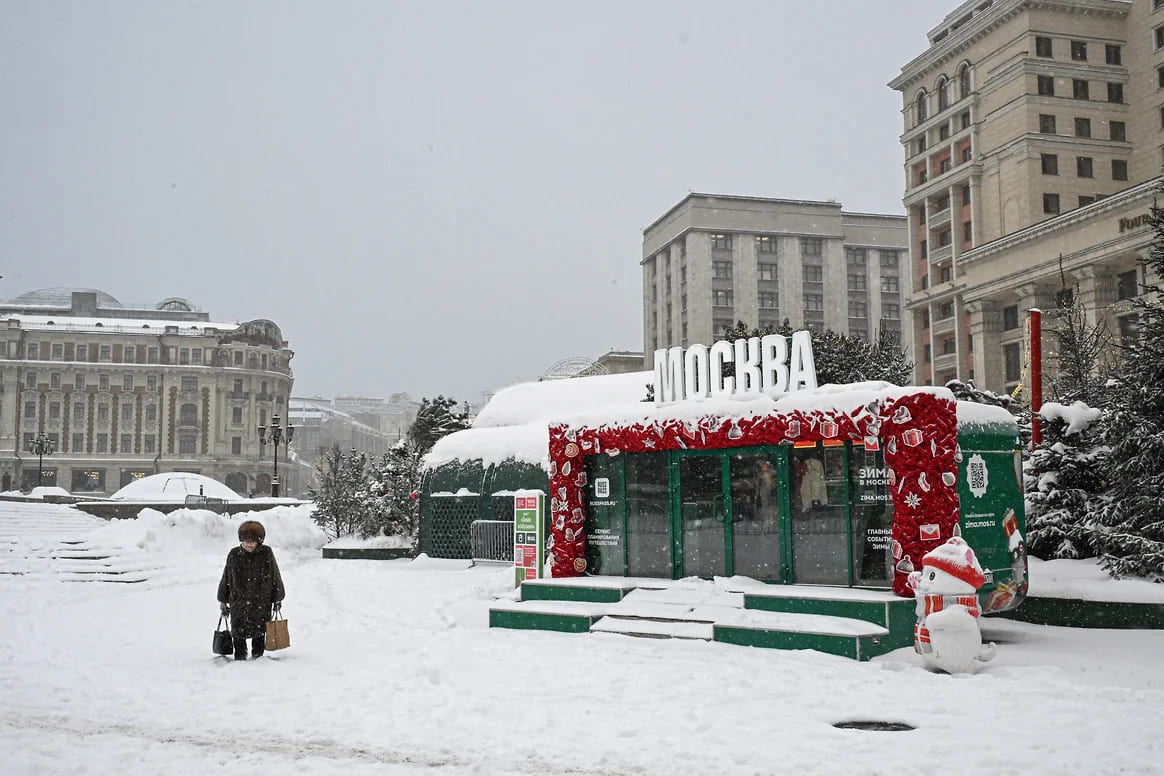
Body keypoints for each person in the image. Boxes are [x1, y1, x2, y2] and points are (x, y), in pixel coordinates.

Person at [217, 520, 285, 661]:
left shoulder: (266, 553)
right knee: (238, 632)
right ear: (241, 539)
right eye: (247, 541)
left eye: (253, 541)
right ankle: (240, 659)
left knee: (259, 632)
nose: (250, 544)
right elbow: (226, 577)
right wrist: (223, 600)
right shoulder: (234, 554)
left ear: (259, 541)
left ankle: (258, 659)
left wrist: (277, 598)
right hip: (238, 601)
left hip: (261, 601)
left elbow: (275, 575)